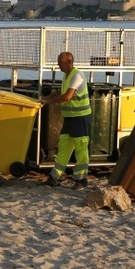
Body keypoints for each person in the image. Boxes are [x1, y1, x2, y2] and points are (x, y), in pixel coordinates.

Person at [41, 51, 92, 189]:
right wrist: (49, 97)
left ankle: (81, 180)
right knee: (64, 147)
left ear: (69, 61)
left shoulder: (77, 75)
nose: (58, 66)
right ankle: (54, 176)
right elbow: (62, 92)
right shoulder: (66, 76)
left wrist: (49, 102)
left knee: (81, 149)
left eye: (60, 63)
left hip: (80, 118)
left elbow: (67, 97)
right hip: (69, 118)